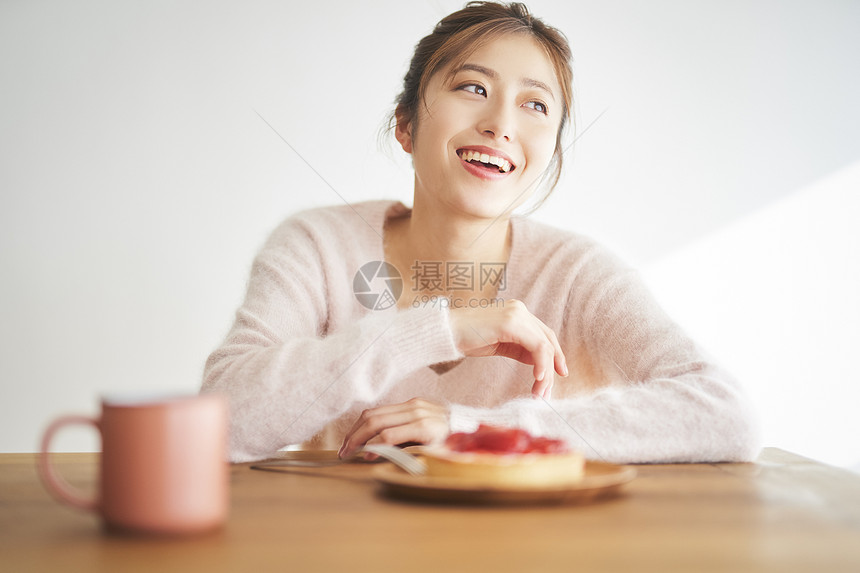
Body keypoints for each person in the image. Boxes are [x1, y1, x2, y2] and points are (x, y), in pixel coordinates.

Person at [202, 1, 760, 464]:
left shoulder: (577, 273)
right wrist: (432, 331)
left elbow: (724, 412)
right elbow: (222, 423)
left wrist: (474, 429)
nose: (501, 124)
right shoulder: (317, 246)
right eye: (473, 88)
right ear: (405, 124)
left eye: (535, 104)